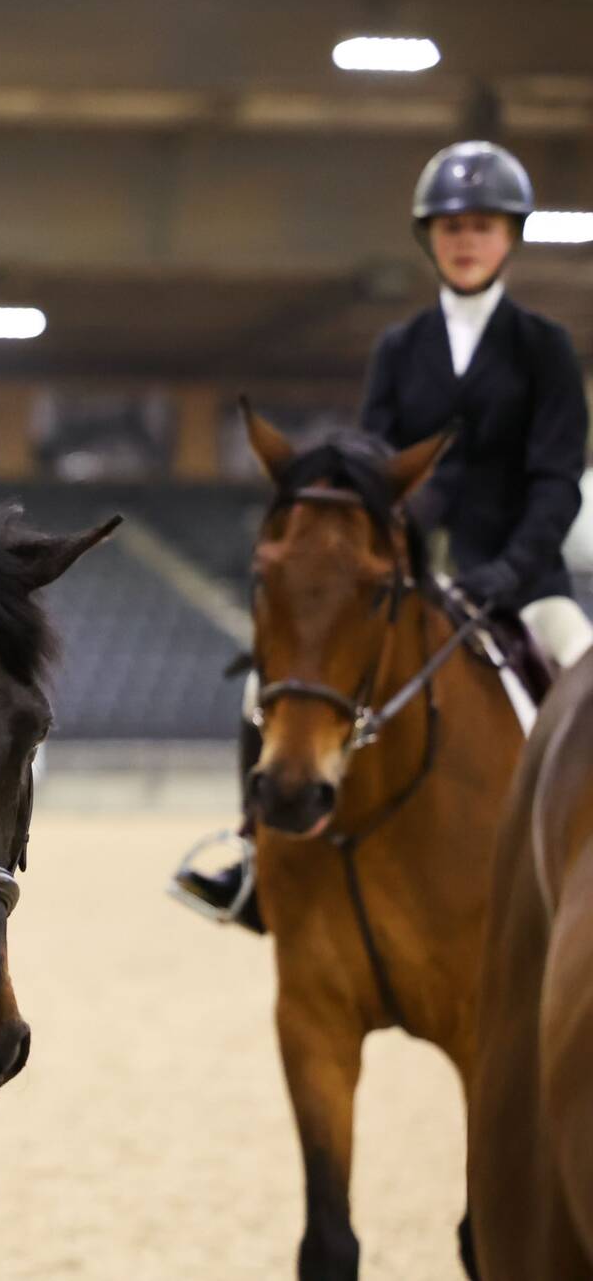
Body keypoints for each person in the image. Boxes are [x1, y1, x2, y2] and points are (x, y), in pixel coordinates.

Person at [176, 140, 592, 929]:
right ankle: (256, 858)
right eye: (451, 226)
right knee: (265, 684)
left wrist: (511, 568)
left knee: (581, 672)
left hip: (525, 581)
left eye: (483, 225)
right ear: (429, 238)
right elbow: (375, 471)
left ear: (510, 236)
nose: (466, 239)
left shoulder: (544, 348)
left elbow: (555, 478)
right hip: (409, 573)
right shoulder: (401, 348)